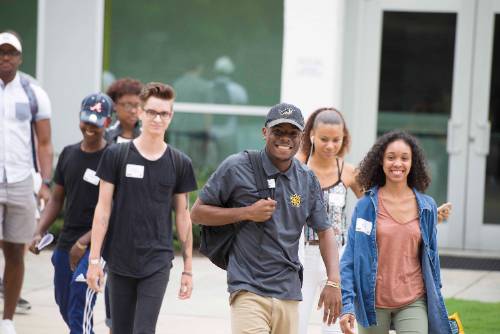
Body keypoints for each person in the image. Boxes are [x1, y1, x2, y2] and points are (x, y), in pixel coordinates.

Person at [190, 103, 342, 334]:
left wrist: (333, 280)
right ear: (265, 133)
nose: (285, 138)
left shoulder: (306, 179)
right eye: (278, 131)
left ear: (302, 137)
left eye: (292, 133)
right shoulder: (236, 167)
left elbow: (324, 230)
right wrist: (246, 212)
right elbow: (198, 213)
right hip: (247, 288)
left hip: (288, 291)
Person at [86, 82, 197, 334]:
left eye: (164, 113)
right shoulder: (116, 155)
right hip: (119, 258)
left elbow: (183, 216)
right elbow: (102, 210)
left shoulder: (179, 162)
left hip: (157, 261)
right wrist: (94, 261)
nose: (157, 119)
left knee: (144, 330)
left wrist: (188, 270)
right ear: (141, 113)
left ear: (171, 116)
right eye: (152, 112)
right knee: (120, 329)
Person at [339, 130, 453, 334]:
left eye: (404, 158)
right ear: (380, 162)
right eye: (391, 157)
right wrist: (347, 305)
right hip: (372, 303)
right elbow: (350, 258)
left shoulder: (426, 207)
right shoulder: (366, 206)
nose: (397, 163)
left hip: (412, 299)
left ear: (413, 163)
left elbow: (432, 259)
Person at [29, 92, 112, 334]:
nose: (90, 127)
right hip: (65, 243)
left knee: (79, 303)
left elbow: (113, 210)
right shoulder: (68, 153)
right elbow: (56, 199)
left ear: (106, 122)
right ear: (79, 118)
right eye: (87, 119)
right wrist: (39, 230)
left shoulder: (113, 157)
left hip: (96, 245)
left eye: (97, 122)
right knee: (65, 304)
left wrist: (84, 242)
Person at [0, 30, 53, 333]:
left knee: (15, 250)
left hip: (21, 180)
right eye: (1, 52)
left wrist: (44, 181)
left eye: (11, 52)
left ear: (20, 57)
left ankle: (7, 319)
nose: (5, 57)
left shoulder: (34, 93)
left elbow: (45, 143)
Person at [296, 108, 362, 334]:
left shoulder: (349, 172)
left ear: (344, 139)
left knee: (334, 327)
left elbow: (374, 207)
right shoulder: (297, 168)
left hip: (337, 258)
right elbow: (286, 204)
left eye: (336, 140)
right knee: (295, 324)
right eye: (324, 139)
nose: (330, 145)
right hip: (301, 254)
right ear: (311, 135)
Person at [105, 78, 143, 144]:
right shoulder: (105, 136)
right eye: (128, 105)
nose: (133, 111)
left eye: (137, 105)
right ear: (114, 105)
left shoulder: (146, 137)